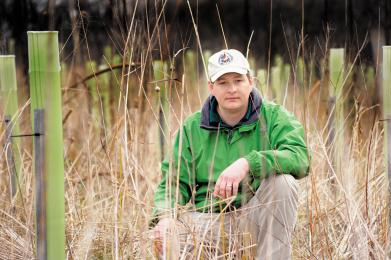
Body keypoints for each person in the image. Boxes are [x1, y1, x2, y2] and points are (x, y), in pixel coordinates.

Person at [151, 49, 310, 259]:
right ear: (211, 87)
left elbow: (299, 157)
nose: (232, 89)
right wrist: (165, 217)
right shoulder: (192, 128)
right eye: (223, 82)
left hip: (255, 219)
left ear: (250, 82)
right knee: (163, 236)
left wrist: (248, 162)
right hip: (207, 223)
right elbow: (173, 183)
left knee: (283, 182)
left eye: (238, 80)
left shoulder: (274, 117)